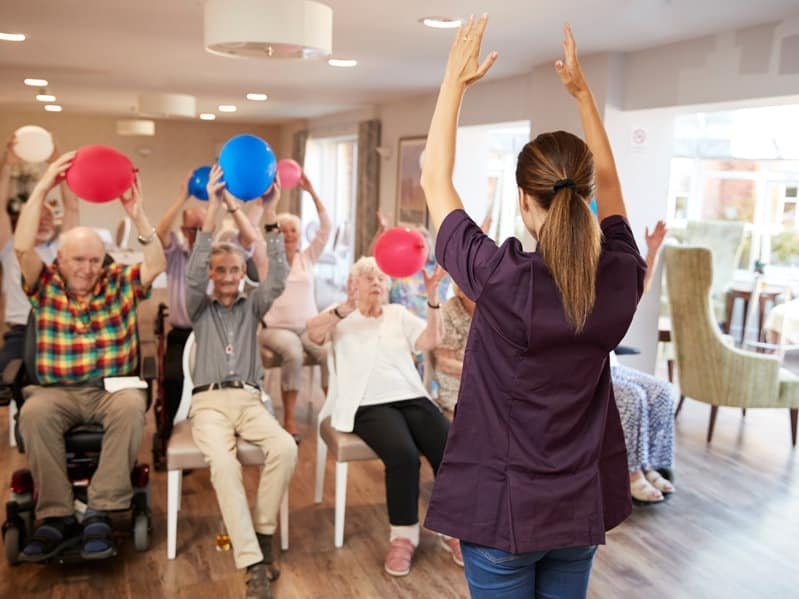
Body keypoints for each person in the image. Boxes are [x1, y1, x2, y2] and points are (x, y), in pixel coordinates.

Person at [419, 19, 645, 598]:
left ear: (523, 200)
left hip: (503, 511)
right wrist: (583, 95)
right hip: (575, 512)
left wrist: (454, 81)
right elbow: (614, 185)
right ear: (586, 196)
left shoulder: (501, 278)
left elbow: (432, 178)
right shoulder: (619, 277)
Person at [15, 153, 165, 562]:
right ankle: (56, 515)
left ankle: (101, 506)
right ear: (59, 260)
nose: (86, 269)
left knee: (132, 406)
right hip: (56, 392)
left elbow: (155, 264)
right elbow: (21, 244)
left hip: (110, 391)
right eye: (78, 260)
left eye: (94, 260)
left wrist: (138, 216)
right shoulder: (43, 285)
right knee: (33, 413)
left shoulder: (118, 283)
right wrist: (44, 184)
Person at [307, 256, 460, 577]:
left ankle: (452, 529)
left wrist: (433, 298)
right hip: (367, 403)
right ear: (354, 285)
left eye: (380, 278)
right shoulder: (341, 316)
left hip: (411, 395)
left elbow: (431, 340)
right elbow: (312, 333)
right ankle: (403, 537)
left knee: (449, 447)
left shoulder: (397, 314)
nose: (376, 282)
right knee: (403, 456)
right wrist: (344, 308)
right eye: (368, 278)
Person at [185, 167, 295, 599]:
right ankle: (253, 565)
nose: (229, 277)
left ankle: (263, 535)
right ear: (213, 275)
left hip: (250, 401)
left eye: (235, 270)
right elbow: (194, 270)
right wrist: (214, 208)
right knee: (225, 467)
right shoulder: (199, 306)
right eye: (221, 271)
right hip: (209, 405)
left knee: (285, 447)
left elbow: (279, 276)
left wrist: (271, 213)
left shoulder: (254, 305)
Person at [0, 134, 79, 375]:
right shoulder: (10, 246)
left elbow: (71, 206)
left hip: (57, 328)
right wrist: (8, 165)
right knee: (5, 380)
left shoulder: (62, 247)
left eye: (49, 217)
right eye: (38, 217)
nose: (45, 222)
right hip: (20, 331)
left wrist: (58, 164)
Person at [259, 173, 330, 437]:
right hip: (274, 329)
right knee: (293, 352)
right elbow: (262, 229)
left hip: (307, 326)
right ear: (276, 234)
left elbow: (325, 228)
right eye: (283, 230)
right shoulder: (267, 260)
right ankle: (289, 418)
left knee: (327, 352)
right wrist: (269, 206)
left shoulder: (307, 257)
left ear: (300, 235)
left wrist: (312, 192)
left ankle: (331, 411)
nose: (289, 235)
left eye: (294, 231)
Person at [612, 220, 676, 504]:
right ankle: (631, 475)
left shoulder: (606, 278)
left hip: (609, 363)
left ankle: (650, 466)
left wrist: (652, 253)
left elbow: (639, 288)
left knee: (661, 390)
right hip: (580, 370)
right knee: (632, 397)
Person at [154, 172, 207, 444]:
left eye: (201, 229)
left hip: (211, 335)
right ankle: (174, 435)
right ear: (183, 230)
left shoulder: (216, 253)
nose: (196, 235)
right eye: (191, 229)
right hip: (181, 334)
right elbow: (159, 233)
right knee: (173, 379)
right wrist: (182, 196)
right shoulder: (176, 253)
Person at [432, 283, 474, 416]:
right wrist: (482, 374)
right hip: (457, 379)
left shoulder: (494, 311)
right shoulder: (448, 312)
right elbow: (444, 362)